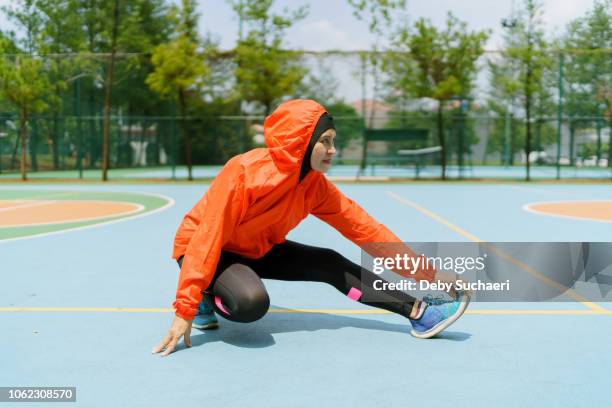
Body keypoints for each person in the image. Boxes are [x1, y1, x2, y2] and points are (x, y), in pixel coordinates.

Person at [153, 99, 470, 357]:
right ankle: (207, 294)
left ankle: (420, 313)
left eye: (334, 141)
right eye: (325, 141)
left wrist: (429, 275)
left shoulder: (315, 186)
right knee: (251, 304)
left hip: (256, 248)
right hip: (206, 247)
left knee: (328, 262)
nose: (333, 149)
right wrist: (185, 309)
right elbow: (209, 236)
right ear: (301, 143)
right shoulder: (244, 171)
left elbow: (367, 231)